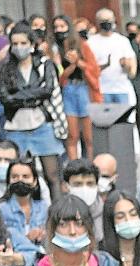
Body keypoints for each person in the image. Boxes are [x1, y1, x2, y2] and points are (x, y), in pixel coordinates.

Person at [0, 23, 64, 197]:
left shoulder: (44, 64)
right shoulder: (6, 68)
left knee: (53, 176)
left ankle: (57, 216)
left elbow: (48, 90)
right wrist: (32, 96)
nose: (19, 48)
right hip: (16, 128)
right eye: (15, 44)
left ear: (32, 44)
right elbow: (5, 98)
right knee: (20, 177)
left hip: (42, 125)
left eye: (23, 43)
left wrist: (19, 95)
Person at [51, 15, 99, 161]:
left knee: (89, 136)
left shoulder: (82, 44)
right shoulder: (54, 49)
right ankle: (73, 166)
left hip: (83, 88)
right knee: (72, 135)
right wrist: (71, 65)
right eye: (56, 27)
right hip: (67, 90)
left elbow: (93, 70)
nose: (59, 30)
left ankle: (90, 165)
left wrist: (77, 61)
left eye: (62, 26)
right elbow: (60, 77)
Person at [0, 158, 50, 262]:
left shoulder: (43, 207)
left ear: (35, 181)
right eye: (15, 177)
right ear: (8, 181)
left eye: (25, 177)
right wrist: (26, 238)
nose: (20, 180)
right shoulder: (1, 208)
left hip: (41, 261)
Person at [85, 7, 136, 107]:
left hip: (121, 89)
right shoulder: (91, 43)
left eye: (109, 20)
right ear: (98, 22)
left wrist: (126, 65)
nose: (107, 23)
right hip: (101, 90)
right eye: (103, 21)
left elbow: (132, 70)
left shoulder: (122, 41)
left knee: (123, 121)